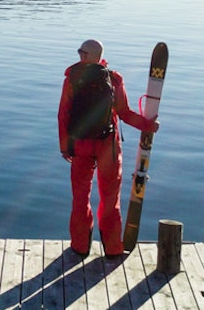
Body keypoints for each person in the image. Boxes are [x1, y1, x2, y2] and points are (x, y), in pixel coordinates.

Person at [57, 38, 159, 258]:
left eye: (81, 52)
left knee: (80, 197)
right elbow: (124, 113)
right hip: (108, 146)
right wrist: (148, 125)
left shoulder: (72, 78)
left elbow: (63, 114)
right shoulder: (113, 79)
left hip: (81, 144)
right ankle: (113, 248)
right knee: (110, 198)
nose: (79, 55)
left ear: (87, 55)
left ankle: (80, 246)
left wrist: (65, 147)